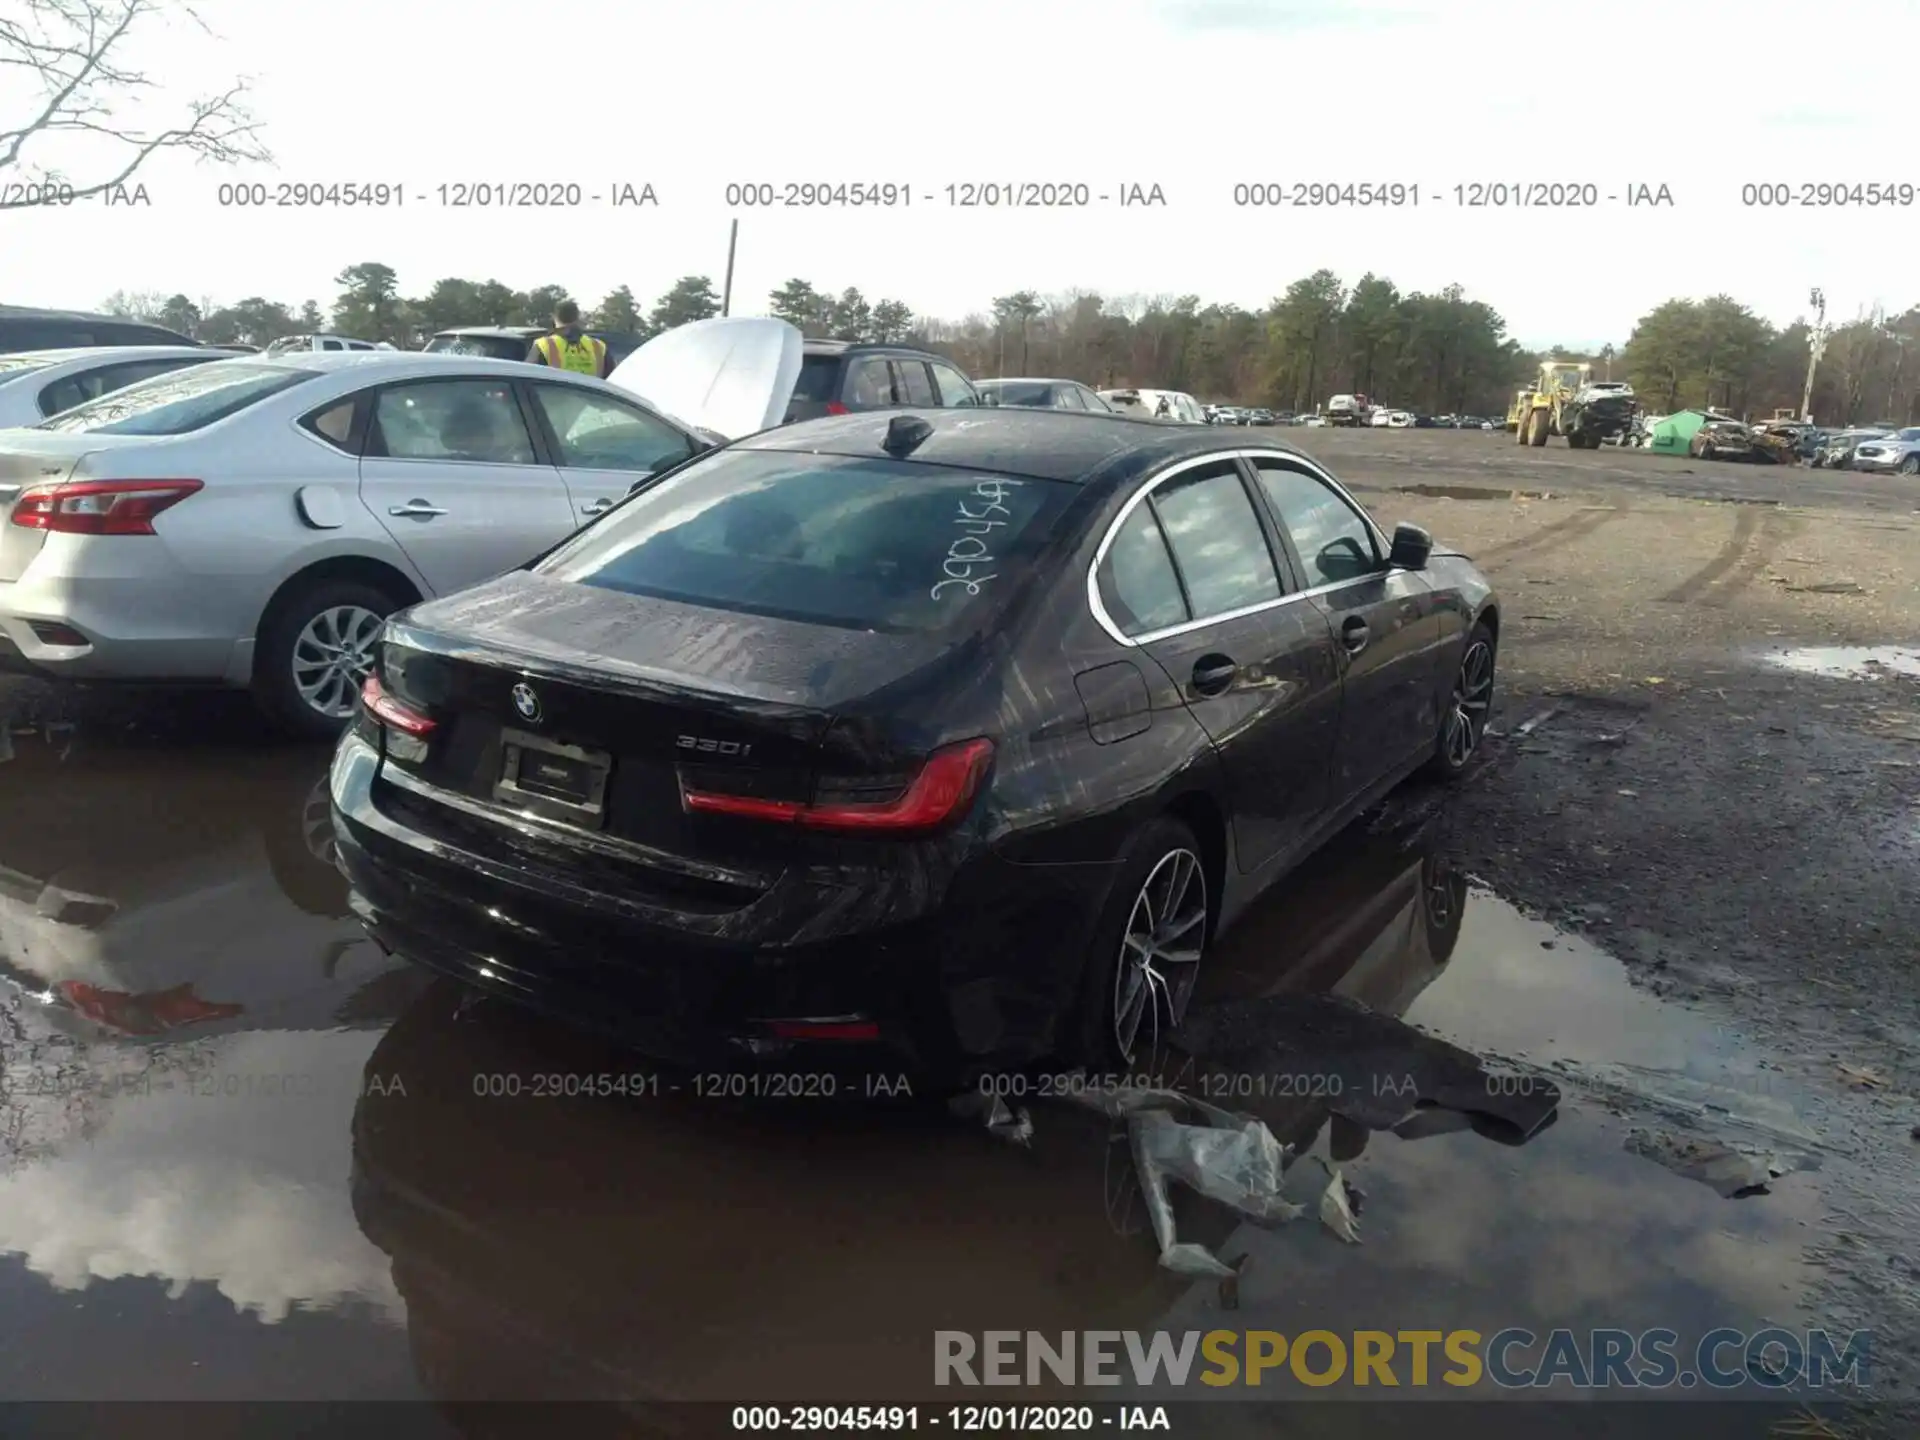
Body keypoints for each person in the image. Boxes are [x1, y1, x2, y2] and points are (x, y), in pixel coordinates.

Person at [527, 301, 609, 378]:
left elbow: (526, 377)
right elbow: (612, 381)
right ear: (577, 317)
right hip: (591, 393)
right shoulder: (598, 346)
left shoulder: (544, 345)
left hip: (556, 393)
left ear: (555, 317)